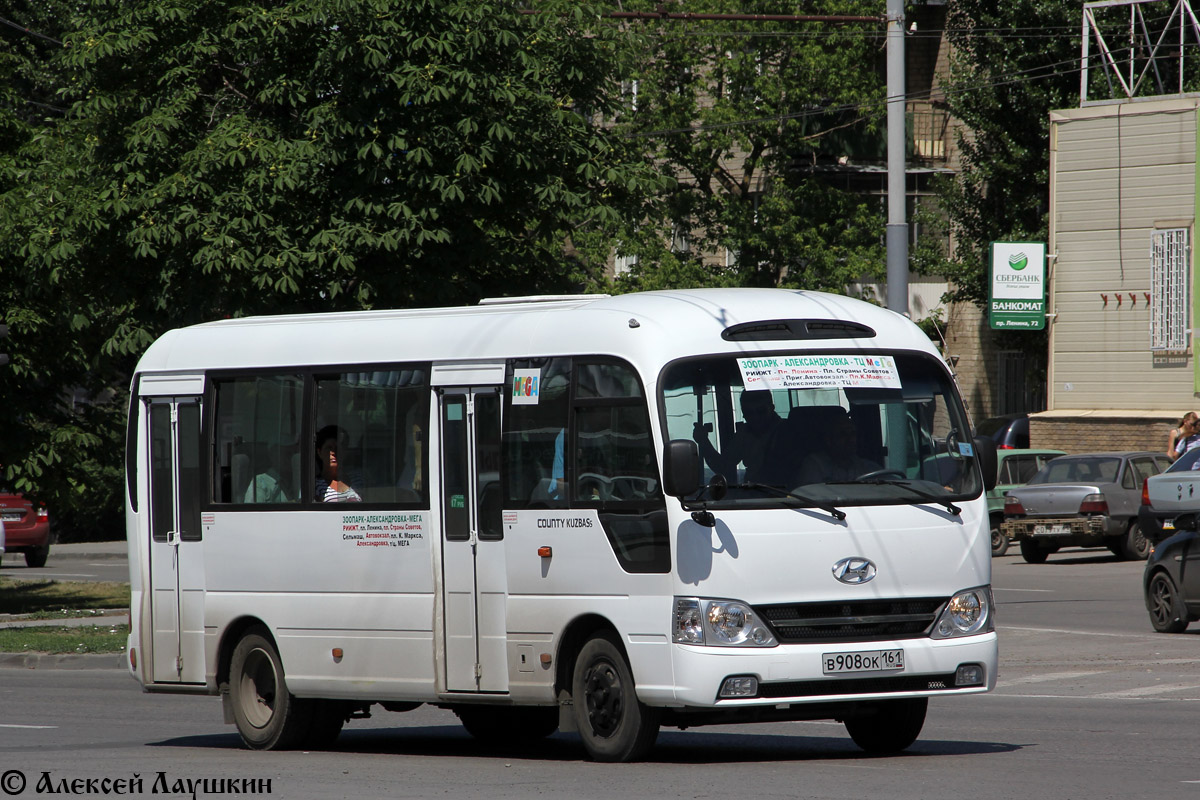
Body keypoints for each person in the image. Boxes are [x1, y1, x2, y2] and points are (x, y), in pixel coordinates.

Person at [693, 390, 783, 483]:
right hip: (755, 493)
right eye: (749, 413)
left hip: (788, 494)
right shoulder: (744, 434)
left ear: (772, 408)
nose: (755, 417)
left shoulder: (789, 431)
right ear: (743, 414)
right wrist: (703, 441)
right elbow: (723, 467)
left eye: (761, 411)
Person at [798, 408, 881, 484]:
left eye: (853, 434)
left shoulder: (868, 468)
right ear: (829, 440)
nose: (851, 440)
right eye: (843, 434)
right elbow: (810, 496)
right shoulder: (815, 465)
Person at [315, 425, 362, 502]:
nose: (334, 452)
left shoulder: (359, 478)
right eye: (329, 448)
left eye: (339, 448)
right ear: (319, 452)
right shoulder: (315, 486)